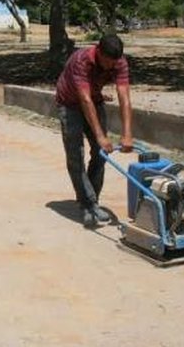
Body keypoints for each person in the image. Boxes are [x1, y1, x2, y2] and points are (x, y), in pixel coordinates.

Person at [55, 33, 134, 228]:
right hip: (69, 104)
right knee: (75, 155)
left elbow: (124, 97)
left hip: (95, 100)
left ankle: (90, 201)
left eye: (113, 63)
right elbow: (84, 99)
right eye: (106, 62)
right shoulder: (82, 60)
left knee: (101, 154)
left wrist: (126, 133)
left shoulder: (120, 62)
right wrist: (99, 135)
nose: (109, 67)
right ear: (98, 51)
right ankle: (88, 203)